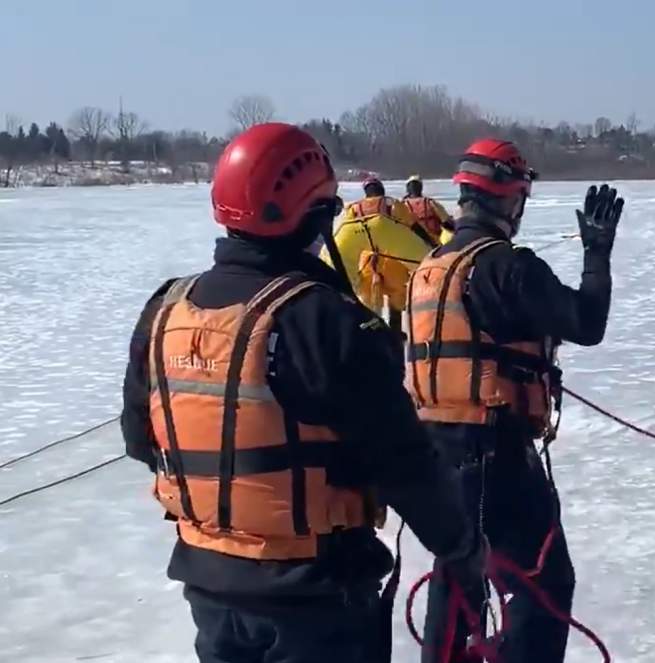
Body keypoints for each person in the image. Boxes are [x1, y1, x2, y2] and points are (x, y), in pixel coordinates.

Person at [119, 123, 484, 663]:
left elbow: (141, 439)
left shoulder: (165, 308)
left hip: (210, 587)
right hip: (317, 599)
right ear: (311, 215)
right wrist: (463, 549)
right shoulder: (325, 320)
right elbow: (406, 465)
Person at [410, 138, 623, 663]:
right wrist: (596, 254)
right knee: (542, 581)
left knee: (456, 573)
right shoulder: (509, 267)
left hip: (433, 455)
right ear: (512, 201)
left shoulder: (429, 269)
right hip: (495, 454)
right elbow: (586, 324)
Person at [324, 176, 440, 325]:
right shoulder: (392, 204)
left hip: (367, 262)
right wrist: (430, 243)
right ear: (382, 189)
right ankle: (395, 332)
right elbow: (413, 226)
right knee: (396, 298)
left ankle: (373, 332)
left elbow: (345, 234)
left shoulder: (354, 208)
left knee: (370, 301)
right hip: (393, 259)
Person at [401, 174, 456, 244]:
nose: (414, 188)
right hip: (432, 242)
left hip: (412, 243)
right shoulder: (430, 203)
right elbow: (446, 222)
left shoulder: (402, 205)